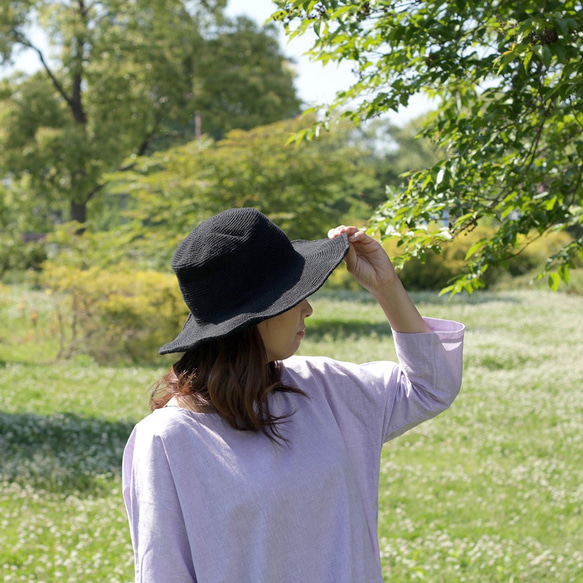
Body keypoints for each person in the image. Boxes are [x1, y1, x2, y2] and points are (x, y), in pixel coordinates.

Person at [122, 207, 464, 583]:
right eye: (294, 294)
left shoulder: (322, 387)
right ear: (254, 316)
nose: (308, 308)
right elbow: (163, 572)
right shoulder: (168, 439)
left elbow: (430, 387)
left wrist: (386, 288)